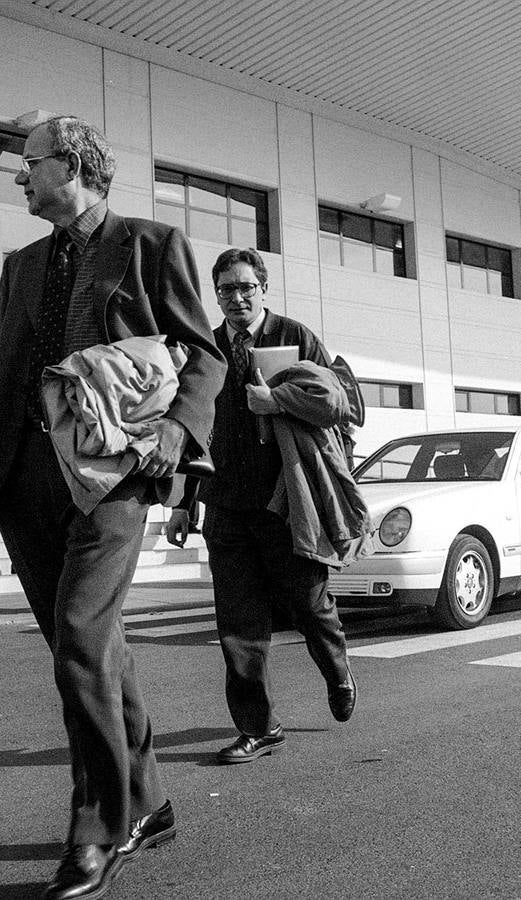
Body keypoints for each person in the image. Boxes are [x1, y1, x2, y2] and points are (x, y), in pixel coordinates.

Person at [0, 115, 223, 900]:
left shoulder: (149, 245)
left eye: (30, 163)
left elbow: (203, 355)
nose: (19, 176)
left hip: (114, 475)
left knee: (80, 638)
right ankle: (150, 804)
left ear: (73, 164)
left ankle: (98, 826)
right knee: (94, 649)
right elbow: (10, 375)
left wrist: (179, 434)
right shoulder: (20, 266)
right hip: (27, 481)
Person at [164, 247, 358, 766]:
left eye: (246, 287)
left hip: (286, 503)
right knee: (238, 622)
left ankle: (337, 670)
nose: (236, 297)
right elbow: (190, 429)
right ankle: (258, 726)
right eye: (226, 289)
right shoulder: (205, 348)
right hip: (226, 505)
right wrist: (183, 503)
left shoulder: (296, 337)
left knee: (310, 603)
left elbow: (340, 405)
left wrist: (280, 402)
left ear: (263, 289)